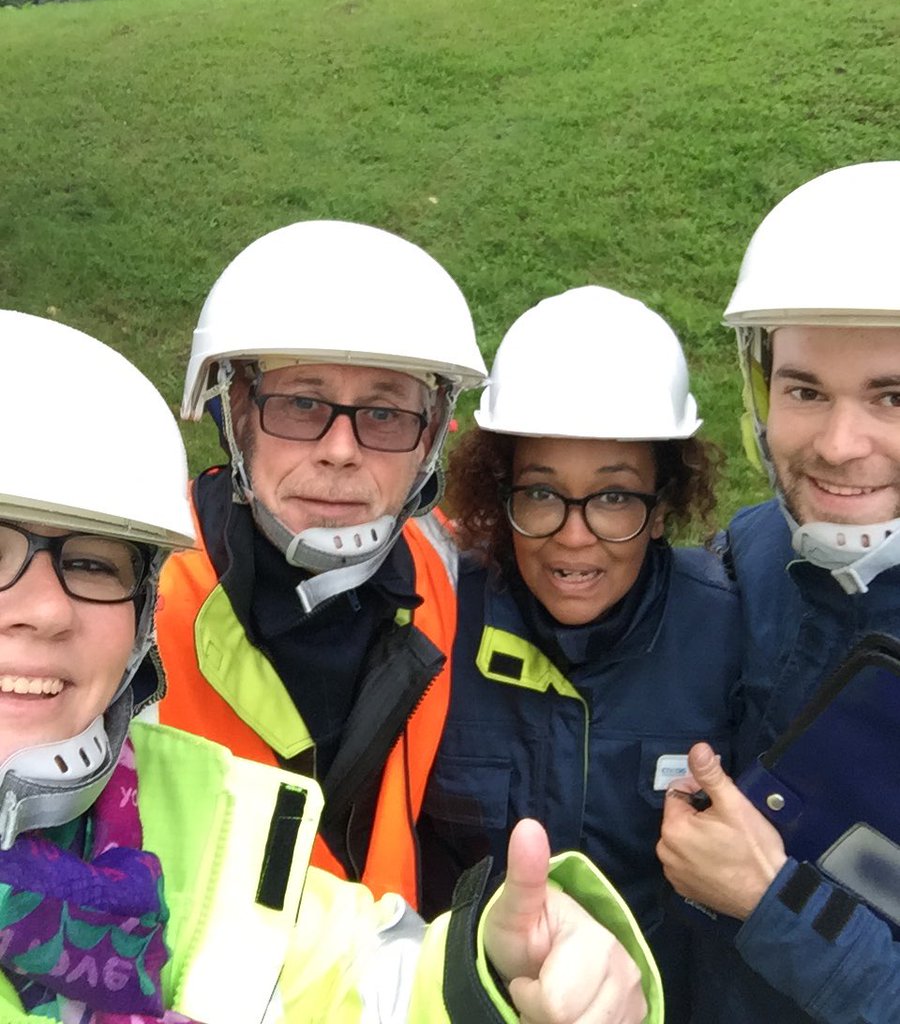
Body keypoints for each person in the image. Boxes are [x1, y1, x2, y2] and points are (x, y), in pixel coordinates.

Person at [0, 307, 663, 1023]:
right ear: (235, 410)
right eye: (301, 403)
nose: (47, 610)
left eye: (92, 564)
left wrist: (492, 974)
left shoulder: (193, 821)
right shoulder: (184, 729)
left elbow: (354, 978)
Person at [418, 286, 741, 1018]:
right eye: (541, 494)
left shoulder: (727, 636)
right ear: (500, 495)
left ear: (662, 507)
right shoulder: (437, 624)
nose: (573, 535)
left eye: (614, 498)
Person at [148, 220, 487, 908]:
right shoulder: (127, 599)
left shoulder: (438, 573)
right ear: (234, 410)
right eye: (302, 404)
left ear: (430, 438)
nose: (340, 450)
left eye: (384, 414)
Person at [658, 161, 900, 1023]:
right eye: (805, 390)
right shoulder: (748, 549)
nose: (839, 444)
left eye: (892, 396)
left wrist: (773, 904)